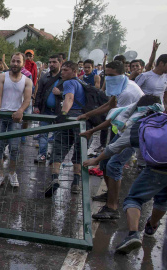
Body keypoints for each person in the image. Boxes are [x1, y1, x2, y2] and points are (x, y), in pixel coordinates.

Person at [81, 95, 164, 253]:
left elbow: (115, 147)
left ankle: (131, 231)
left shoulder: (139, 121)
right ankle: (151, 226)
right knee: (162, 200)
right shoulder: (161, 117)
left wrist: (95, 160)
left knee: (133, 198)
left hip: (155, 168)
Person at [78, 61, 144, 218]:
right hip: (124, 129)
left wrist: (91, 131)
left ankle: (112, 208)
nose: (108, 78)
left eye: (112, 75)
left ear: (122, 74)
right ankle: (110, 195)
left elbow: (114, 119)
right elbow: (110, 105)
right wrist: (88, 114)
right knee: (105, 163)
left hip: (134, 132)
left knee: (114, 164)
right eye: (106, 74)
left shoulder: (128, 92)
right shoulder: (121, 86)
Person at [0, 53, 33, 188]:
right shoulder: (2, 77)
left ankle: (12, 173)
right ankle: (0, 174)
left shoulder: (27, 80)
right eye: (13, 61)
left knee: (15, 148)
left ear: (22, 63)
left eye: (18, 61)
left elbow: (27, 99)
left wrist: (20, 111)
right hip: (1, 115)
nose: (15, 64)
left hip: (16, 118)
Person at [44, 61, 86, 197]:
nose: (62, 72)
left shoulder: (69, 83)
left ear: (75, 72)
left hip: (71, 118)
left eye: (66, 70)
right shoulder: (81, 83)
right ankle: (76, 183)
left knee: (59, 146)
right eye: (62, 70)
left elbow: (69, 98)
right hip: (82, 120)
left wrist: (63, 114)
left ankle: (55, 178)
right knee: (79, 151)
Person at [33, 55, 63, 163]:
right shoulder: (45, 77)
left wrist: (61, 93)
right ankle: (42, 155)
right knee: (43, 134)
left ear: (60, 63)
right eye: (50, 62)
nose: (51, 64)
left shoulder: (64, 77)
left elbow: (71, 94)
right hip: (45, 111)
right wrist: (36, 106)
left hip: (59, 113)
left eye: (54, 62)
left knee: (57, 137)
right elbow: (39, 93)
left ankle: (54, 158)